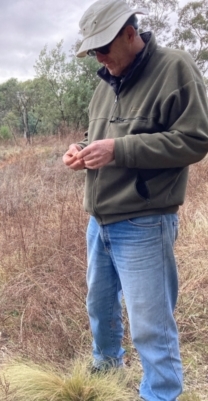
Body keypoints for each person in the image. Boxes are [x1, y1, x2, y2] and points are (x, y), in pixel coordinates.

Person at [63, 1, 208, 400]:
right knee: (100, 308)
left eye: (104, 49)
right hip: (100, 221)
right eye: (93, 51)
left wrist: (118, 150)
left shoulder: (175, 68)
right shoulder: (104, 85)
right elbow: (103, 142)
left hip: (145, 221)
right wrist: (82, 150)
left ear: (130, 33)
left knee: (150, 323)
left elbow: (195, 140)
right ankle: (106, 375)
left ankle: (160, 393)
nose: (100, 58)